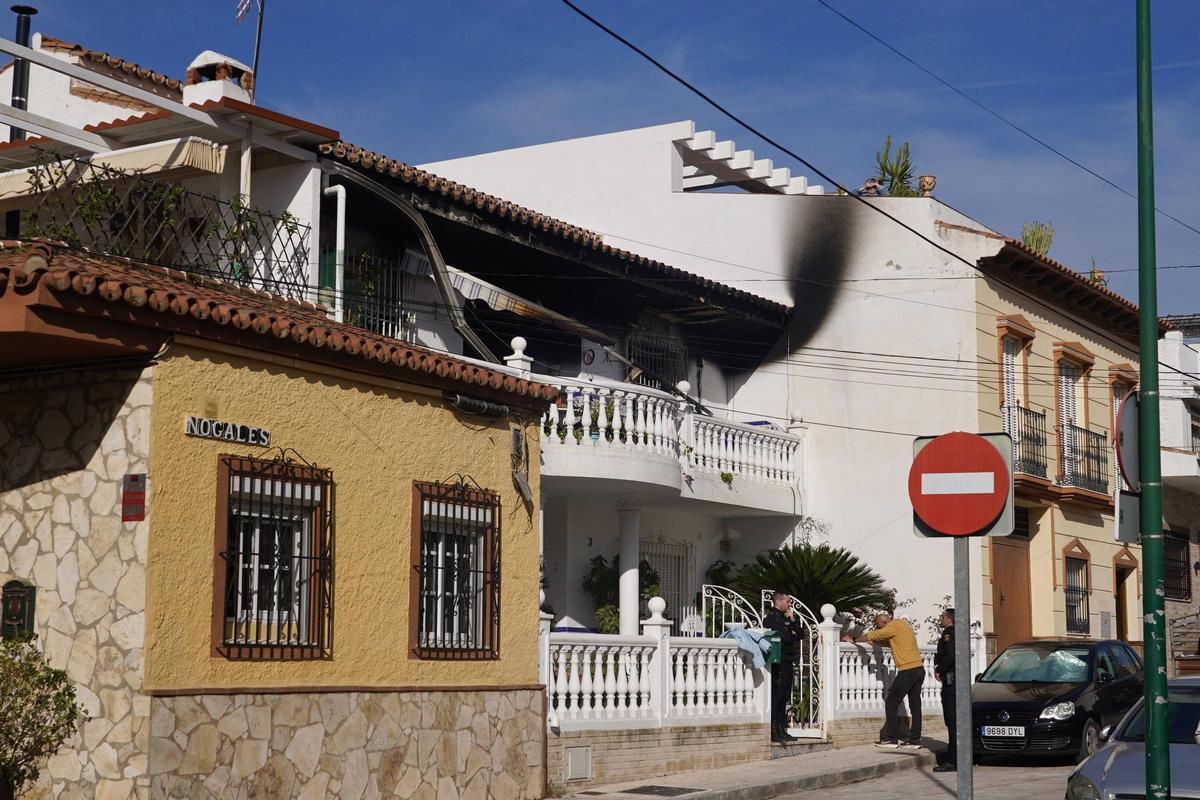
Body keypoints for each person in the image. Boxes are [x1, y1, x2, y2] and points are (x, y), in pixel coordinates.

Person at [845, 612, 924, 749]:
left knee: (891, 702)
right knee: (915, 705)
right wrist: (872, 642)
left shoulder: (893, 625)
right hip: (918, 668)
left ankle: (891, 739)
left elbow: (875, 635)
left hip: (908, 670)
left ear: (883, 623)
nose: (879, 628)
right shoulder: (902, 626)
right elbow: (887, 641)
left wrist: (855, 640)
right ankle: (915, 740)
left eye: (879, 626)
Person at [763, 590, 804, 742]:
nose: (790, 604)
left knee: (784, 696)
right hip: (779, 662)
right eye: (787, 601)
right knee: (778, 696)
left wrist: (793, 620)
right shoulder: (772, 618)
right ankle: (774, 730)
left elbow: (801, 635)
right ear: (778, 602)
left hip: (788, 661)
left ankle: (781, 729)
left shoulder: (785, 618)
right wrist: (791, 634)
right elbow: (787, 638)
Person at [933, 608, 957, 772]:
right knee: (956, 721)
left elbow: (949, 656)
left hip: (951, 682)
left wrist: (939, 669)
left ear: (949, 619)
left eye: (943, 616)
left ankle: (953, 760)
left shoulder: (948, 634)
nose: (941, 619)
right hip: (958, 681)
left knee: (952, 721)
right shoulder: (959, 633)